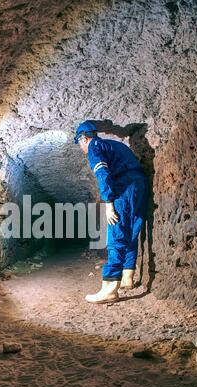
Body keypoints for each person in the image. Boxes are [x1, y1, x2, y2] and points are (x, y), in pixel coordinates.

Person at [74, 120, 149, 304]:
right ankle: (127, 276)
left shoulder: (95, 146)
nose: (81, 147)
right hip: (140, 184)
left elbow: (103, 174)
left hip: (124, 188)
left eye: (79, 143)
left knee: (115, 231)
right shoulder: (114, 145)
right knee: (131, 231)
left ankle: (109, 288)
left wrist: (108, 203)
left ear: (84, 138)